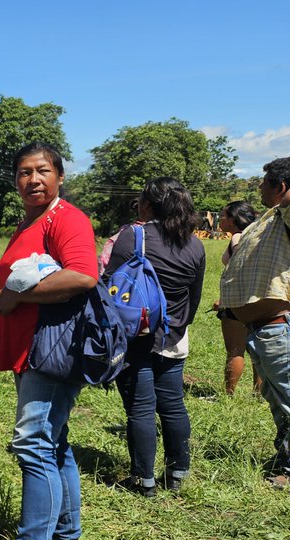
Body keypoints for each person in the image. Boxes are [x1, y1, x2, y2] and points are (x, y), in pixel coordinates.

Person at [0, 142, 97, 540]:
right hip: (29, 347)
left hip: (52, 347)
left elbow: (84, 276)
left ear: (60, 176)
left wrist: (16, 297)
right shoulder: (30, 221)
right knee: (54, 441)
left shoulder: (67, 219)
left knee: (32, 443)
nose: (33, 179)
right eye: (23, 172)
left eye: (42, 171)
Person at [102, 177, 205, 497]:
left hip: (136, 337)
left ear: (147, 204)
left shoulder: (133, 236)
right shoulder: (196, 245)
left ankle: (144, 481)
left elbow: (109, 290)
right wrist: (175, 329)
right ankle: (178, 474)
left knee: (141, 410)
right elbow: (194, 298)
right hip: (174, 338)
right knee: (173, 407)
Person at [219, 157, 290, 490]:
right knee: (277, 400)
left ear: (282, 188)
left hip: (278, 327)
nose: (258, 186)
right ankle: (285, 458)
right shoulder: (271, 216)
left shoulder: (286, 212)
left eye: (265, 182)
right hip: (262, 329)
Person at [216, 200, 259, 394]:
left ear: (233, 219)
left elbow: (236, 271)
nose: (220, 218)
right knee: (257, 352)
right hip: (257, 299)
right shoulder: (257, 236)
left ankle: (229, 394)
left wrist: (224, 299)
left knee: (235, 349)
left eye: (223, 215)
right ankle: (259, 392)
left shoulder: (237, 239)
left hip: (237, 301)